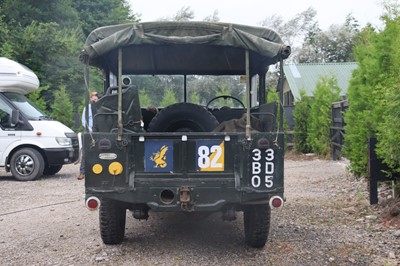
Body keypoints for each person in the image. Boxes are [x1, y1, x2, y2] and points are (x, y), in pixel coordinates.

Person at [78, 92, 98, 180]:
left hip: (99, 132)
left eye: (96, 99)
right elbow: (84, 121)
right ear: (90, 99)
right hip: (89, 132)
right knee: (86, 152)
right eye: (93, 99)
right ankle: (82, 172)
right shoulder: (87, 108)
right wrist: (90, 129)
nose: (94, 100)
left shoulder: (101, 108)